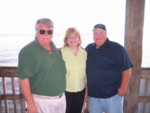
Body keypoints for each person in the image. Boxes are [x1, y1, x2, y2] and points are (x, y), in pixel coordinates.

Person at [18, 18, 66, 113]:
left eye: (49, 32)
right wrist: (30, 104)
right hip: (42, 101)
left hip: (61, 99)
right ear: (36, 32)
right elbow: (23, 79)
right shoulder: (27, 52)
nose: (46, 35)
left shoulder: (56, 49)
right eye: (42, 31)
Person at [85, 24, 133, 113]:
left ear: (106, 34)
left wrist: (123, 87)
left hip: (113, 95)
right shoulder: (89, 48)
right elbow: (77, 53)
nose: (98, 36)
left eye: (101, 33)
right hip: (94, 96)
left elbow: (127, 68)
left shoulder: (117, 48)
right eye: (95, 33)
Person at [60, 27, 87, 113]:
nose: (73, 39)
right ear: (66, 39)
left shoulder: (84, 53)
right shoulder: (60, 53)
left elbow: (86, 72)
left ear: (79, 38)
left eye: (75, 36)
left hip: (81, 89)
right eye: (70, 37)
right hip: (65, 90)